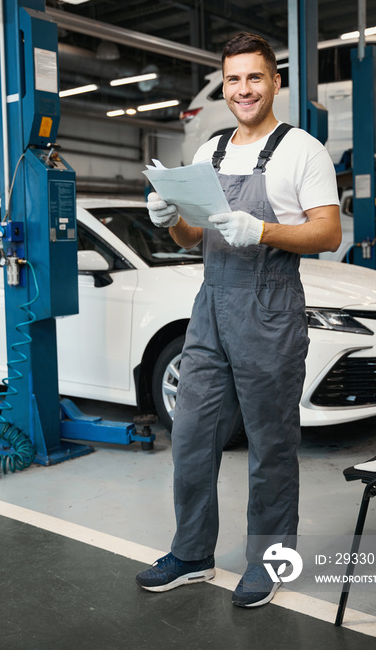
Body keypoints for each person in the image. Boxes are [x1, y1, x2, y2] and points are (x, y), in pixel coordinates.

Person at [136, 32, 341, 608]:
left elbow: (328, 232)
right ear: (224, 86)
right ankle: (192, 553)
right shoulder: (210, 152)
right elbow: (192, 236)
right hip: (210, 309)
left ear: (275, 82)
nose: (243, 89)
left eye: (255, 77)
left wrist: (266, 230)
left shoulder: (304, 150)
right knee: (192, 437)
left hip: (270, 309)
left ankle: (269, 562)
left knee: (271, 445)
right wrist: (168, 217)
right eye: (233, 79)